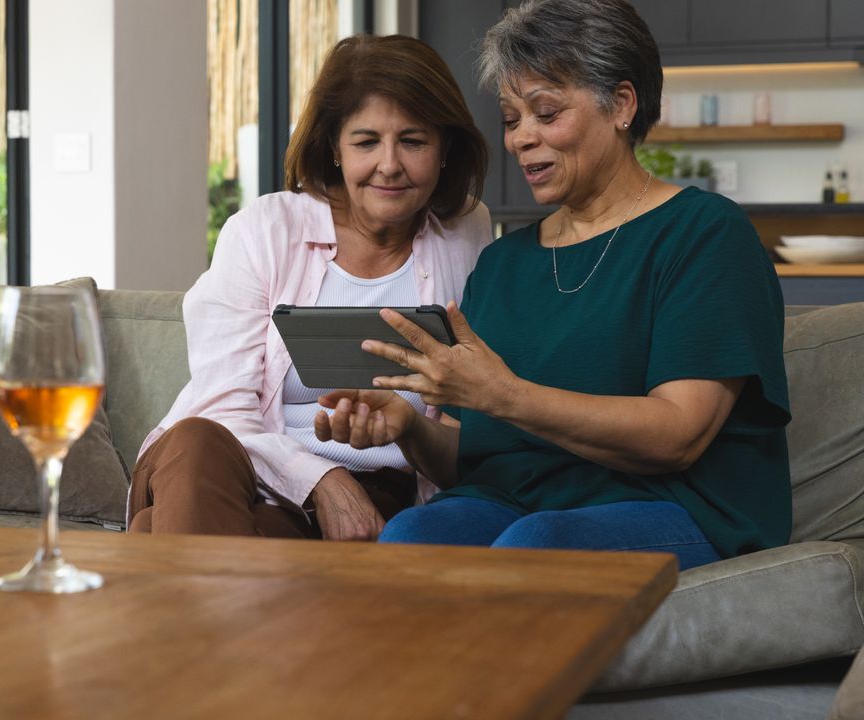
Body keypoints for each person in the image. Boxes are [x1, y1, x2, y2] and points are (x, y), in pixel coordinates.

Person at [314, 0, 791, 570]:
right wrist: (410, 427)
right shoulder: (503, 262)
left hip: (675, 505)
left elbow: (677, 434)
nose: (521, 139)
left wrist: (506, 394)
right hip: (517, 502)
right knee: (413, 537)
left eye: (545, 112)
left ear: (620, 105)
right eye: (513, 120)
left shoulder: (703, 233)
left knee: (536, 548)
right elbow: (468, 457)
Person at [127, 34, 492, 540]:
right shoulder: (264, 230)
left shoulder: (466, 232)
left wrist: (345, 484)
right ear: (334, 150)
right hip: (220, 461)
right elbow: (223, 407)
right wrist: (321, 477)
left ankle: (168, 585)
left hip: (371, 488)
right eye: (366, 142)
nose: (389, 164)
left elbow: (466, 405)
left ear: (446, 148)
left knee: (159, 532)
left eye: (413, 141)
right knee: (197, 441)